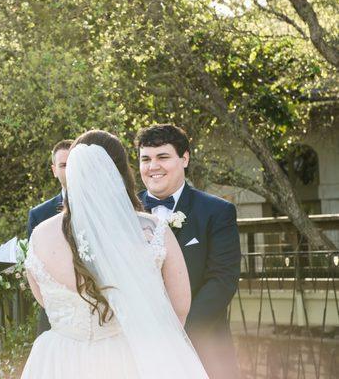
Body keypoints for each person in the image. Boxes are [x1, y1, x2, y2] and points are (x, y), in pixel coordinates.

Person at [21, 130, 208, 378]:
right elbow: (179, 308)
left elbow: (45, 300)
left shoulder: (40, 234)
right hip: (129, 358)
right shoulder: (152, 229)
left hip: (59, 360)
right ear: (121, 173)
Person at [136, 124, 241, 379]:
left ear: (184, 158)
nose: (153, 166)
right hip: (138, 350)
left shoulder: (217, 212)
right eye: (146, 159)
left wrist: (178, 334)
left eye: (163, 157)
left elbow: (222, 281)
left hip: (202, 348)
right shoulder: (124, 211)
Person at [27, 139, 72, 334]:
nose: (68, 169)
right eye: (63, 165)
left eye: (73, 163)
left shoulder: (102, 207)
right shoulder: (39, 214)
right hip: (55, 313)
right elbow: (35, 268)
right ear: (54, 170)